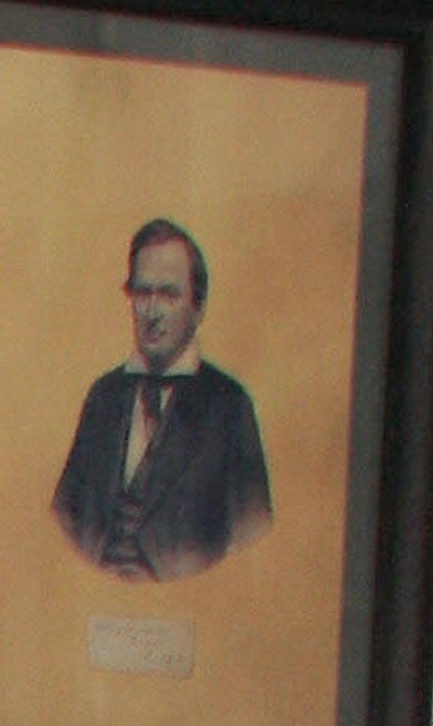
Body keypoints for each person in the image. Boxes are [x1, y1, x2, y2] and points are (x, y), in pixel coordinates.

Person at [50, 221, 273, 582]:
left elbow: (254, 540)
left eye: (169, 295)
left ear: (198, 308)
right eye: (142, 293)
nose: (152, 312)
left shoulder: (228, 406)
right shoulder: (103, 397)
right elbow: (64, 520)